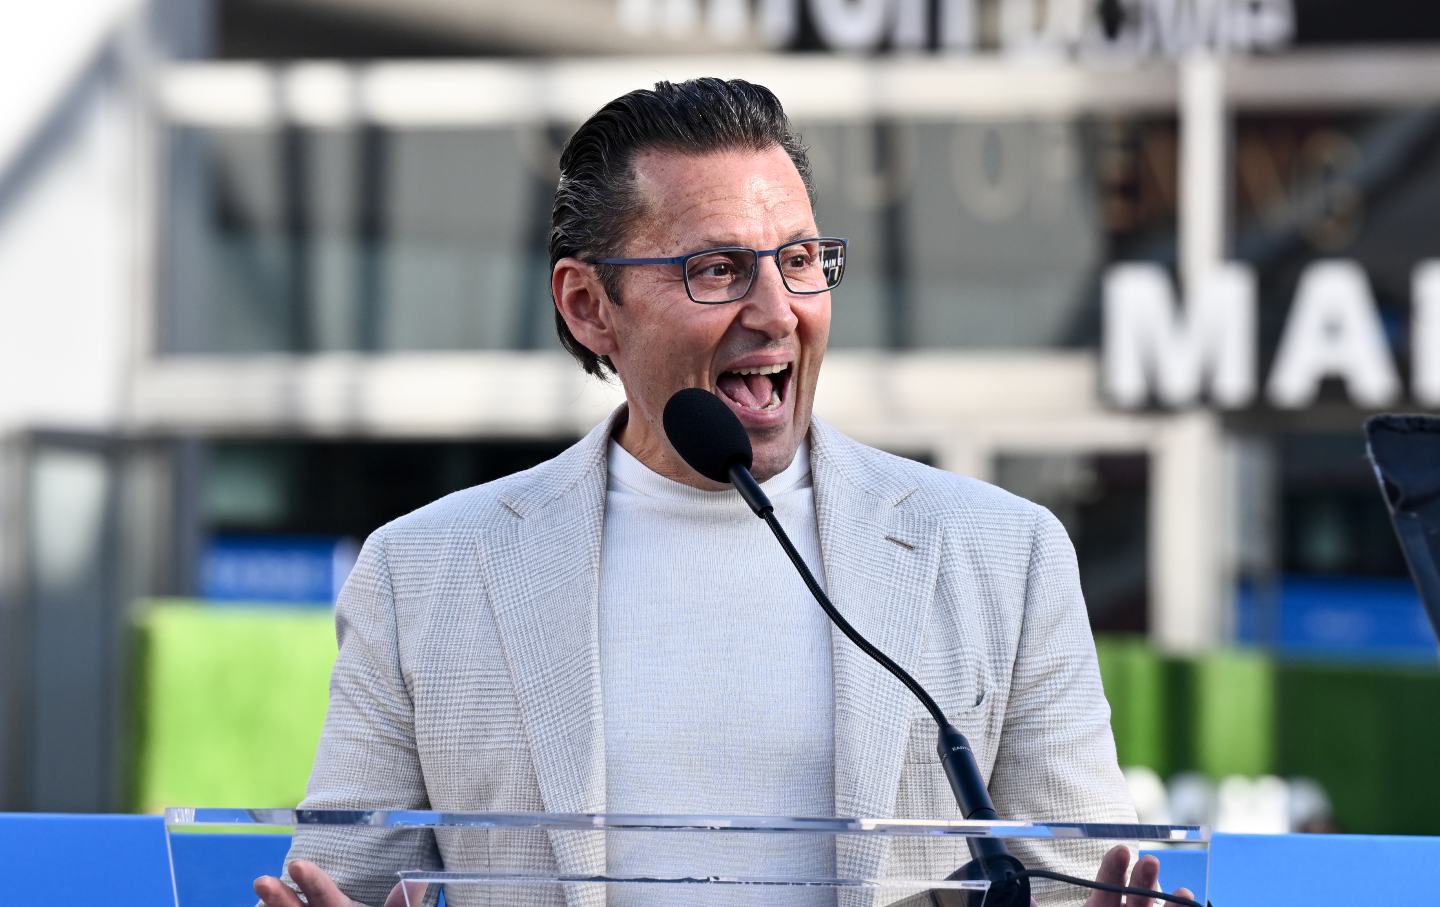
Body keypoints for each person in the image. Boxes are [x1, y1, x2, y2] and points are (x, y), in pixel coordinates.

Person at [255, 78, 1190, 907]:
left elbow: (1078, 873)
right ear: (588, 306)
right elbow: (349, 881)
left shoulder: (1003, 555)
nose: (777, 311)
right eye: (717, 269)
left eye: (797, 260)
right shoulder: (422, 572)